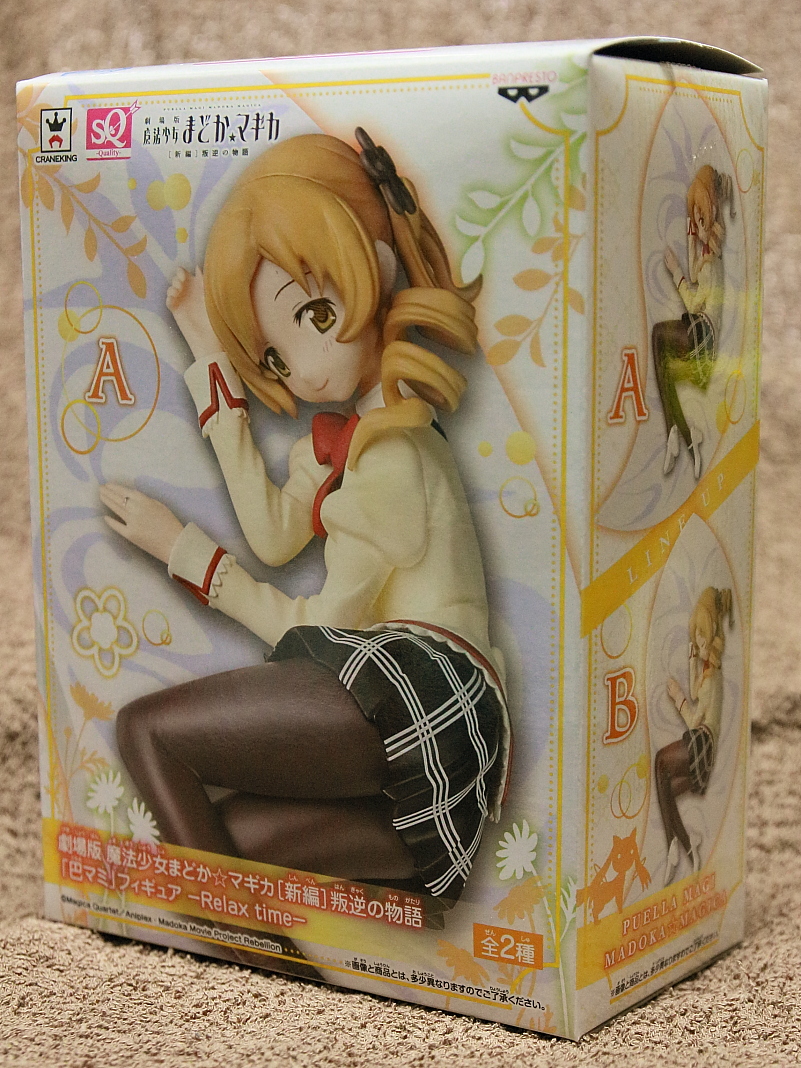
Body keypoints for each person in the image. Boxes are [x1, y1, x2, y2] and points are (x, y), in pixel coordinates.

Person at [100, 129, 510, 912]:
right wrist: (207, 354)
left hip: (422, 698)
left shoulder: (393, 457)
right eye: (276, 359)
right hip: (431, 734)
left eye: (316, 314)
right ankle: (268, 961)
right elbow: (272, 535)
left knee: (147, 732)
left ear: (375, 272)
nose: (307, 373)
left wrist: (183, 550)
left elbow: (317, 629)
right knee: (223, 841)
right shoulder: (358, 444)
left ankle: (230, 953)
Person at [653, 165, 733, 480]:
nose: (698, 225)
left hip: (704, 339)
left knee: (659, 335)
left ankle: (682, 435)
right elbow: (694, 262)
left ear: (711, 217)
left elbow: (693, 302)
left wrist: (675, 272)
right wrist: (690, 231)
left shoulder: (713, 264)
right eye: (695, 219)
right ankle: (684, 437)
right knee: (664, 366)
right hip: (701, 336)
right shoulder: (707, 257)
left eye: (702, 219)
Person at [655, 587, 733, 886]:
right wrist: (691, 662)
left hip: (702, 742)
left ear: (710, 639)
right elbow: (696, 691)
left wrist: (677, 698)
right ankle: (686, 847)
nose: (697, 644)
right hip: (705, 748)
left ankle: (677, 846)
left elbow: (692, 720)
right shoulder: (710, 672)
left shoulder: (713, 680)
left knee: (661, 761)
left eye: (701, 639)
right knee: (666, 789)